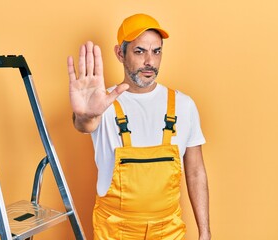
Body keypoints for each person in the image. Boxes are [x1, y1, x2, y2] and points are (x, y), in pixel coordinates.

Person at [67, 13, 211, 240]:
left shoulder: (184, 106)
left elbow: (195, 171)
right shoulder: (102, 103)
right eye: (139, 51)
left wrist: (205, 232)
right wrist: (84, 114)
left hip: (169, 232)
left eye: (156, 51)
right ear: (120, 53)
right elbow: (84, 125)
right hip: (114, 232)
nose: (149, 62)